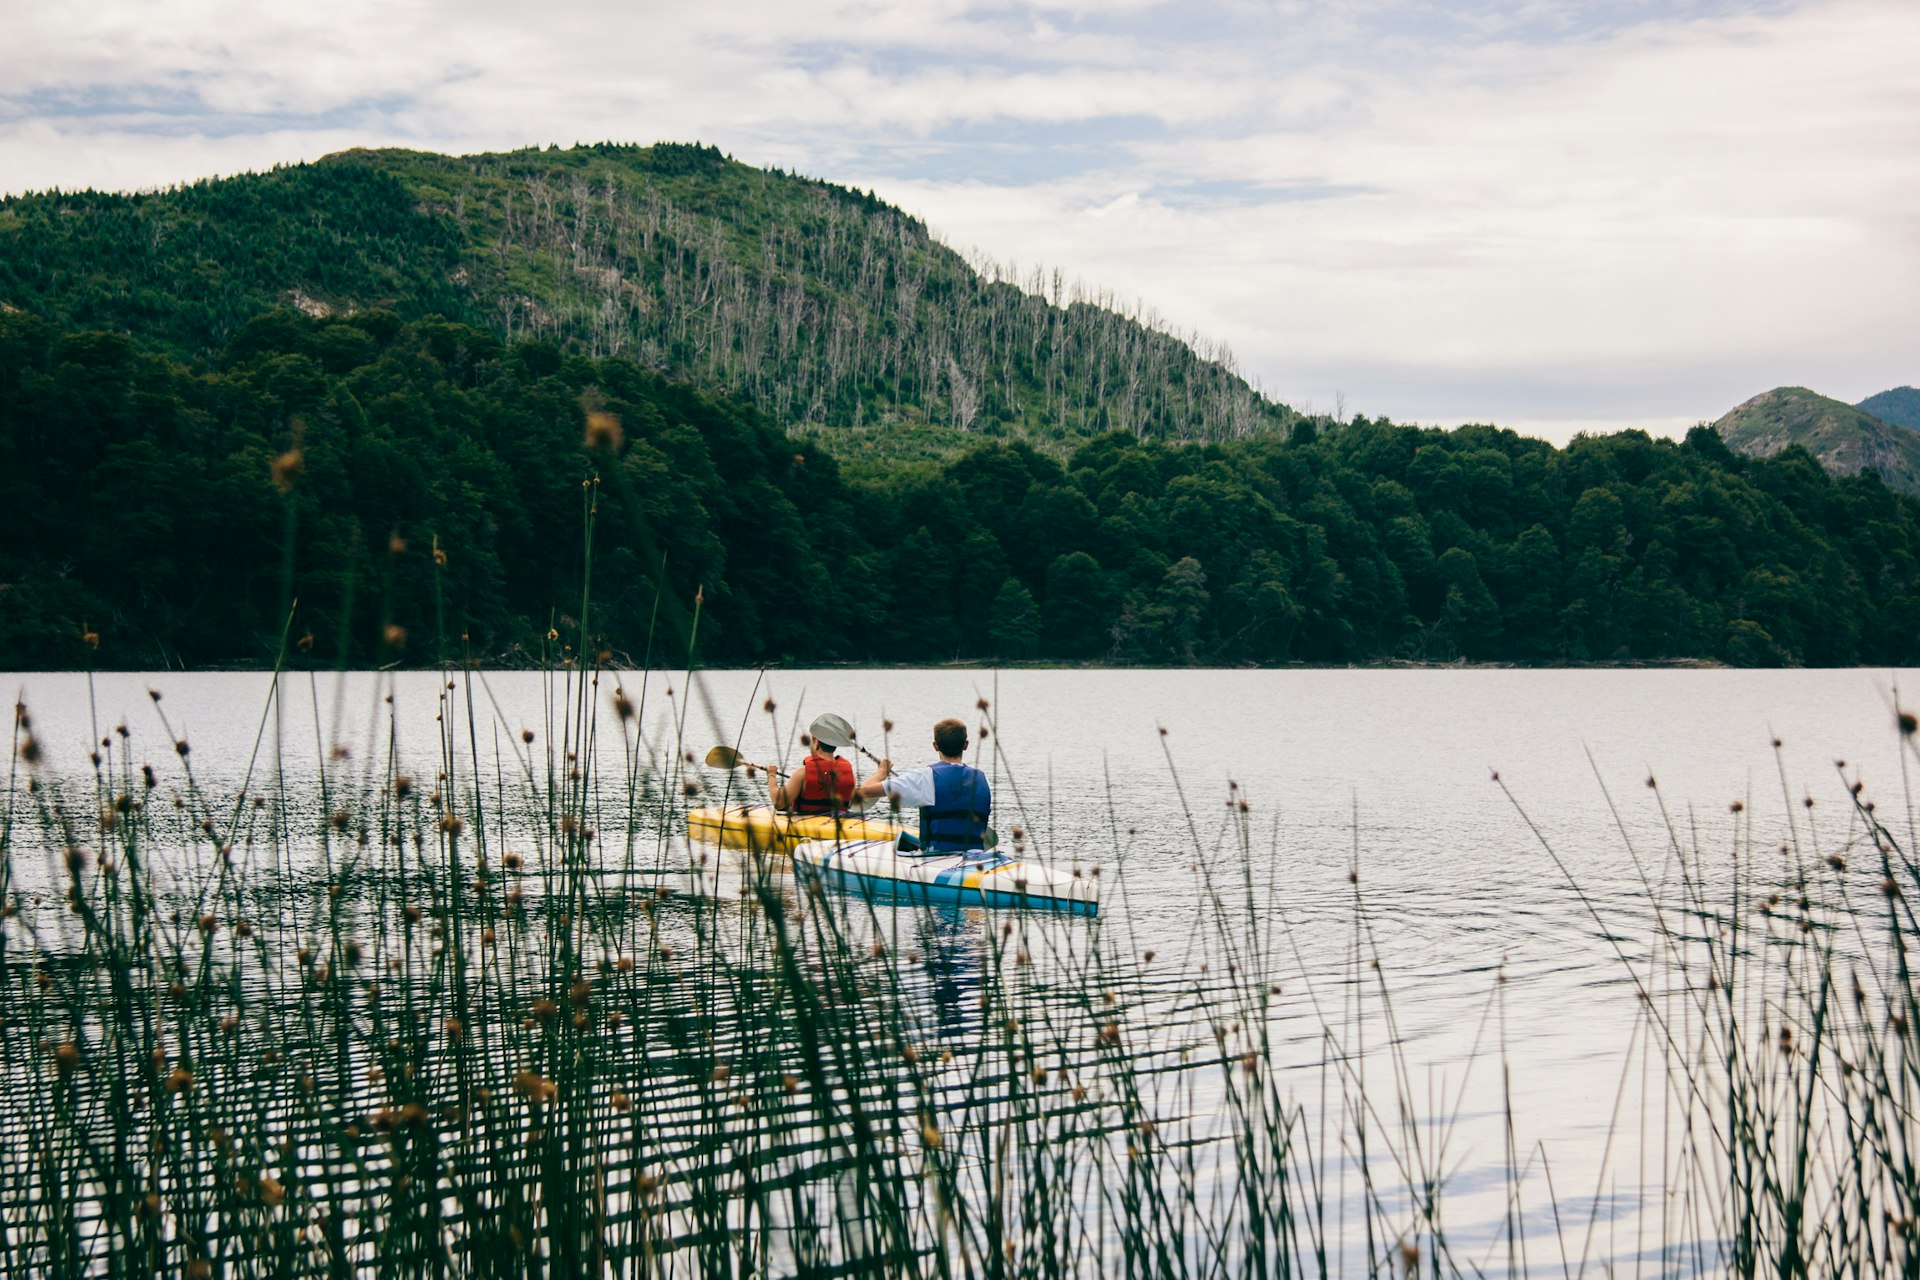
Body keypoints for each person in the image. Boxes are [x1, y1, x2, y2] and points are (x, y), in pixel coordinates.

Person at [855, 717, 991, 851]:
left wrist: (882, 771)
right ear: (966, 745)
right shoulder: (981, 778)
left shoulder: (925, 777)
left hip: (936, 858)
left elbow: (864, 791)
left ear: (935, 746)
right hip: (976, 857)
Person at [768, 716, 857, 815]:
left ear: (816, 743)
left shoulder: (802, 773)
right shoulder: (851, 776)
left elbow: (778, 803)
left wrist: (771, 774)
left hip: (807, 824)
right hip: (838, 825)